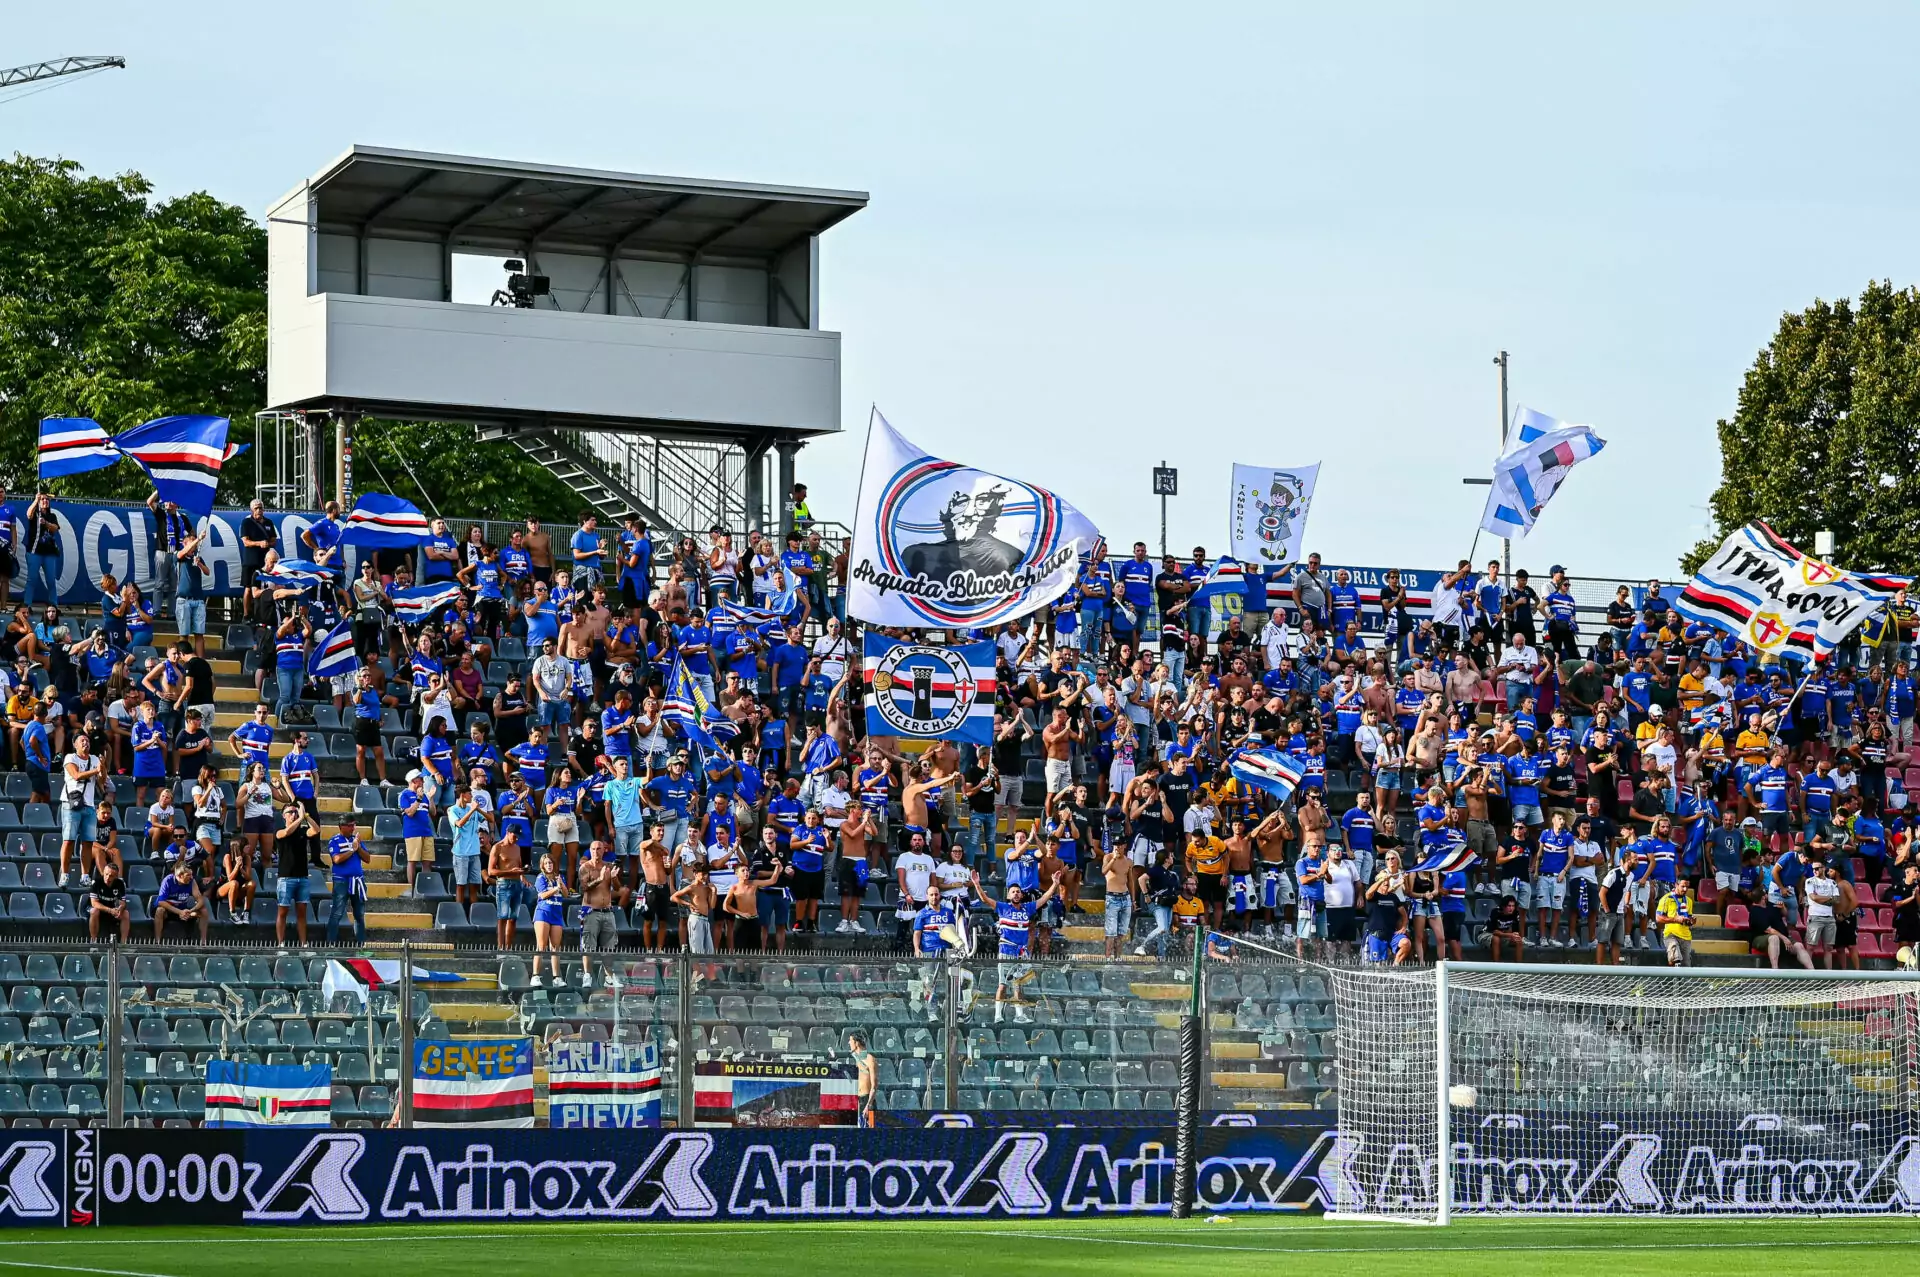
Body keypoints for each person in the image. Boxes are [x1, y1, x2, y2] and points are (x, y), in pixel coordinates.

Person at [275, 802, 320, 948]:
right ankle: (281, 944)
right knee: (282, 912)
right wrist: (300, 819)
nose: (293, 814)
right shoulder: (279, 831)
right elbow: (287, 832)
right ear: (283, 816)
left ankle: (303, 944)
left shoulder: (302, 831)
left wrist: (305, 815)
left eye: (295, 812)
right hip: (286, 878)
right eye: (290, 812)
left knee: (302, 914)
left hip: (302, 877)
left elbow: (316, 830)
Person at [325, 816, 369, 947]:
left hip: (357, 880)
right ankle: (330, 944)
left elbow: (368, 859)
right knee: (337, 913)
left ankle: (361, 945)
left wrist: (358, 847)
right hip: (341, 881)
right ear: (342, 826)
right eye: (350, 825)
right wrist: (352, 850)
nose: (353, 828)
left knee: (359, 914)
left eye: (354, 825)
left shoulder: (356, 840)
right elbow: (337, 859)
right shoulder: (334, 841)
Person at [531, 853, 570, 986]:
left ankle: (556, 978)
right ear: (542, 865)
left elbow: (566, 894)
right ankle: (535, 976)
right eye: (546, 863)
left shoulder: (559, 877)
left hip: (557, 913)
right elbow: (542, 895)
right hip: (543, 913)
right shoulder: (540, 878)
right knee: (541, 946)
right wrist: (556, 889)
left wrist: (561, 885)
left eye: (550, 863)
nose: (549, 865)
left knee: (555, 947)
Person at [154, 860, 210, 943]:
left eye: (191, 874)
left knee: (203, 911)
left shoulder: (192, 881)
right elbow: (161, 902)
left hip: (183, 911)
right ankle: (157, 941)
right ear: (180, 876)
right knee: (160, 910)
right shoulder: (168, 880)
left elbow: (200, 900)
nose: (191, 877)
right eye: (188, 875)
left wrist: (191, 910)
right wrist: (179, 912)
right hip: (169, 911)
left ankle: (203, 942)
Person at [673, 862, 717, 955]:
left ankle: (708, 965)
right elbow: (673, 897)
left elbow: (712, 906)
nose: (705, 876)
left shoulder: (707, 888)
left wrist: (714, 891)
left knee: (709, 952)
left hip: (705, 920)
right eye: (703, 874)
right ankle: (695, 965)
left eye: (706, 874)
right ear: (695, 874)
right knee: (697, 952)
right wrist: (688, 904)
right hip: (696, 919)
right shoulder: (691, 887)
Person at [88, 858, 131, 944]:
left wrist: (120, 908)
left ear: (116, 876)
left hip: (112, 909)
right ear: (103, 872)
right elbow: (94, 903)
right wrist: (110, 910)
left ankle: (123, 944)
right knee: (94, 911)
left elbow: (122, 902)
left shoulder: (120, 884)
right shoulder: (96, 882)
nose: (108, 878)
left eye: (111, 876)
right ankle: (93, 941)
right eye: (106, 874)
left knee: (126, 913)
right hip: (99, 909)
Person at [1654, 880, 1696, 967]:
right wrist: (1675, 919)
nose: (1685, 889)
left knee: (1686, 966)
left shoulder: (1688, 900)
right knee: (1675, 959)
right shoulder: (1667, 898)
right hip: (1671, 934)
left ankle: (1677, 975)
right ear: (1676, 884)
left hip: (1686, 936)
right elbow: (1658, 918)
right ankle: (1672, 975)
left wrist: (1691, 921)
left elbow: (1688, 917)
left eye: (1687, 887)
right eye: (1683, 886)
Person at [847, 1030, 878, 1128]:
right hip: (858, 1101)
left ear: (857, 1043)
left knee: (871, 1132)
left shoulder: (870, 1059)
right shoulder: (858, 1059)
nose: (849, 1043)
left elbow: (874, 1086)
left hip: (867, 1101)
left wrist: (868, 1106)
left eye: (850, 1040)